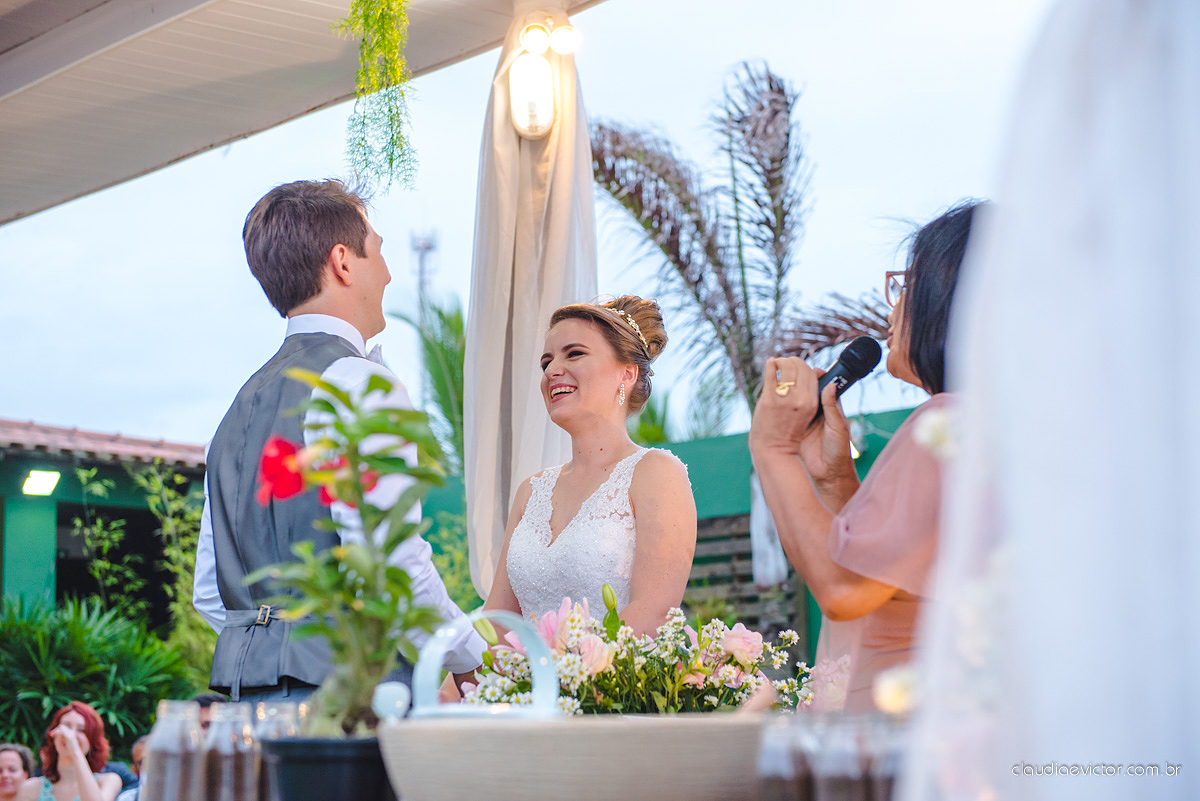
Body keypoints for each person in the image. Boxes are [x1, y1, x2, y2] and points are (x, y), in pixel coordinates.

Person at [192, 179, 484, 702]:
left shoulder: (237, 407)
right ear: (344, 262)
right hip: (350, 697)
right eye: (379, 251)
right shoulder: (359, 381)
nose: (388, 273)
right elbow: (390, 565)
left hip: (246, 697)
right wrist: (467, 654)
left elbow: (211, 595)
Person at [749, 200, 984, 712]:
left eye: (907, 286)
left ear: (950, 296)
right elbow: (888, 578)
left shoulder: (947, 422)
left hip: (907, 737)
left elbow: (845, 589)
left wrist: (773, 447)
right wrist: (835, 481)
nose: (893, 309)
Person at [483, 296, 697, 635]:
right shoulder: (530, 492)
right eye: (546, 362)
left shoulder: (656, 473)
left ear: (626, 373)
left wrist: (566, 665)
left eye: (574, 354)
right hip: (528, 671)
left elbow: (654, 612)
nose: (552, 371)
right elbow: (496, 620)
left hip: (617, 667)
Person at [17, 702, 121, 801]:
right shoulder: (31, 788)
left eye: (81, 730)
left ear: (92, 741)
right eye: (66, 727)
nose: (70, 734)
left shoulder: (108, 781)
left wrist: (74, 748)